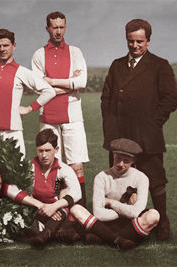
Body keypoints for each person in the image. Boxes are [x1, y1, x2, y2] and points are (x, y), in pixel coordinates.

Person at [101, 19, 177, 240]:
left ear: (148, 41)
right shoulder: (116, 65)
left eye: (140, 42)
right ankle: (122, 223)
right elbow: (106, 98)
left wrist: (153, 123)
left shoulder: (160, 65)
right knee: (120, 182)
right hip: (119, 136)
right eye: (131, 41)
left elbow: (171, 99)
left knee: (155, 179)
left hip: (147, 135)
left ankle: (162, 221)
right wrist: (110, 125)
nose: (135, 46)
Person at [28, 11, 89, 206]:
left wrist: (52, 82)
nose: (58, 31)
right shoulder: (39, 54)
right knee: (54, 166)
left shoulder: (75, 52)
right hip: (48, 116)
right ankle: (59, 211)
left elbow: (82, 82)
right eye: (54, 27)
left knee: (76, 166)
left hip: (72, 116)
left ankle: (80, 212)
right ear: (47, 28)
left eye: (62, 27)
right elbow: (39, 87)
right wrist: (69, 84)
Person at [0, 29, 55, 156]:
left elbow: (49, 91)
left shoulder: (22, 72)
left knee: (17, 174)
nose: (2, 49)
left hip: (13, 132)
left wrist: (30, 108)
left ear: (14, 46)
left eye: (6, 45)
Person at [70, 138, 160, 250]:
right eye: (118, 159)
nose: (120, 164)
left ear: (134, 160)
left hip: (129, 224)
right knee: (76, 209)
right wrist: (126, 209)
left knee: (154, 215)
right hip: (107, 223)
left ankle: (104, 238)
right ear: (113, 155)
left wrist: (111, 202)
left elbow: (136, 213)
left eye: (126, 161)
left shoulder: (141, 178)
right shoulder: (101, 177)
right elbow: (98, 213)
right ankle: (119, 240)